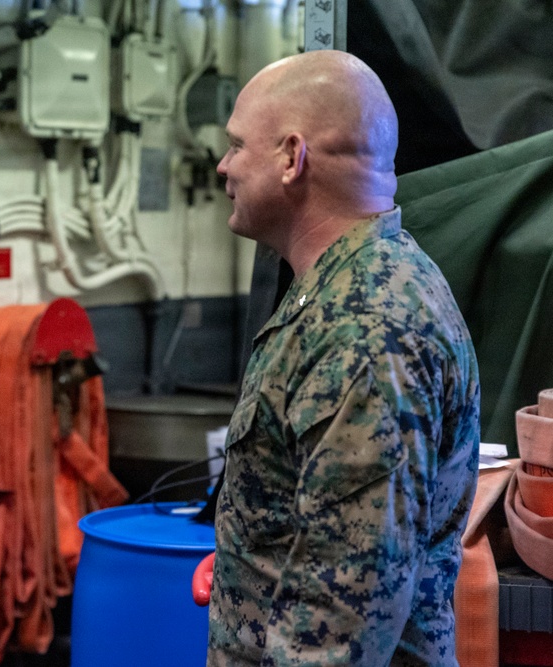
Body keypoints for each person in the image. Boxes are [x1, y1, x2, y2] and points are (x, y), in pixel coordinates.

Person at [208, 50, 480, 665]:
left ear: (290, 158)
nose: (224, 166)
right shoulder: (345, 288)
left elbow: (344, 616)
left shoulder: (364, 326)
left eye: (237, 145)